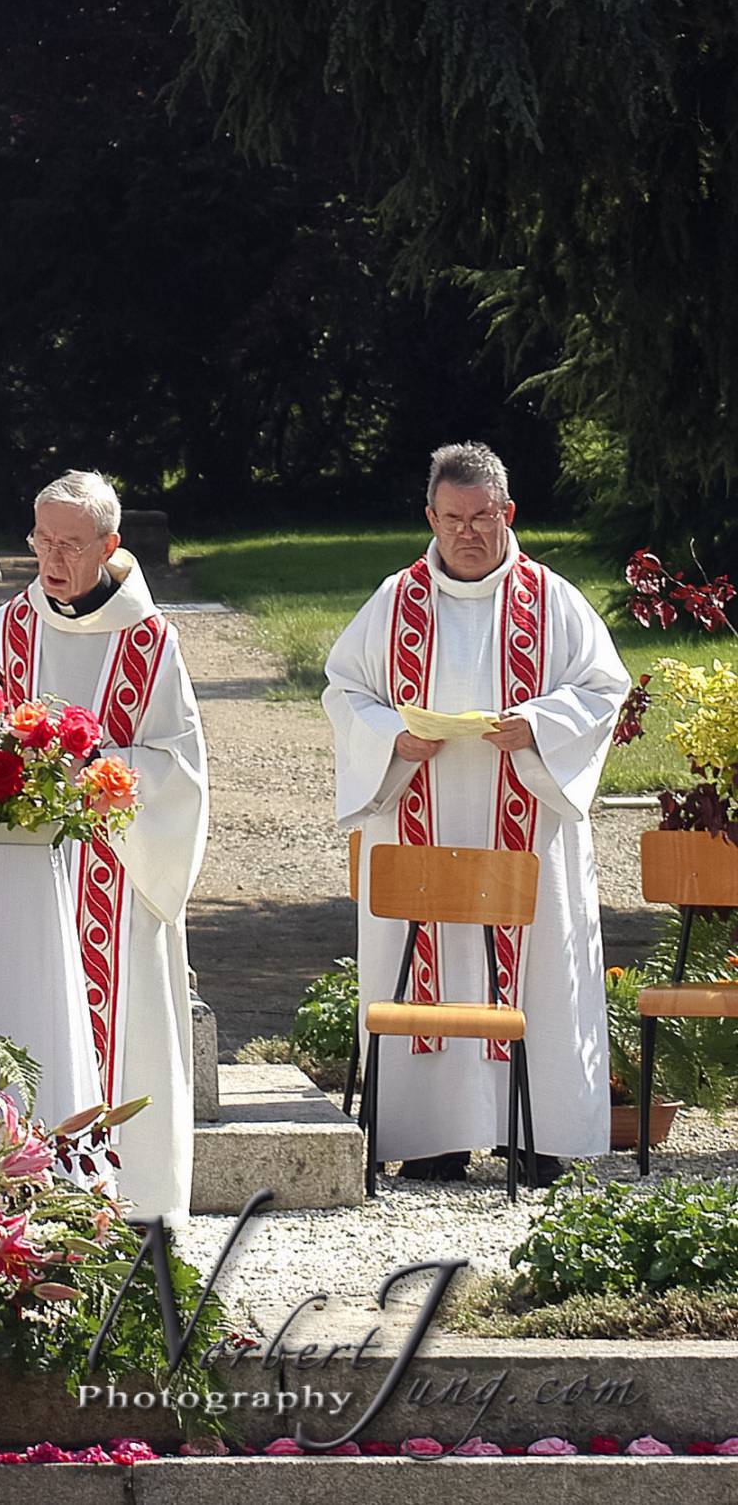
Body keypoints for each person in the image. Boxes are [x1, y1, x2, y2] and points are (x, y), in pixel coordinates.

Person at [323, 441, 627, 1181]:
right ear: (430, 516)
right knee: (424, 960)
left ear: (508, 513)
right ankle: (431, 1138)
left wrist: (539, 726)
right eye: (452, 518)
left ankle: (538, 1136)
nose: (466, 532)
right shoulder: (394, 602)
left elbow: (603, 689)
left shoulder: (553, 601)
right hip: (419, 819)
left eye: (481, 517)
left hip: (527, 827)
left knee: (539, 965)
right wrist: (392, 738)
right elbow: (344, 690)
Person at [0, 469, 208, 1222]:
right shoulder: (8, 629)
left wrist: (101, 766)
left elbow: (180, 767)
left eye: (71, 544)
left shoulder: (149, 641)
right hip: (28, 873)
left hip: (119, 871)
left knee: (128, 1033)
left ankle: (135, 1204)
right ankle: (20, 1201)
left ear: (110, 546)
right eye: (42, 539)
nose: (52, 556)